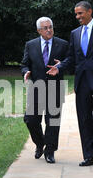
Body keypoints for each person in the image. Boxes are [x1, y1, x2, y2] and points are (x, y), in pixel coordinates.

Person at [47, 1, 93, 167]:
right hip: (82, 81)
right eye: (76, 14)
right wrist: (60, 67)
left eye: (80, 13)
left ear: (89, 12)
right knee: (84, 119)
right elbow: (72, 57)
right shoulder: (75, 33)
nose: (77, 17)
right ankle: (89, 157)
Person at [21, 17, 69, 163]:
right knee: (30, 119)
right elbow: (24, 64)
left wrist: (61, 65)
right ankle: (40, 143)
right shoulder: (31, 45)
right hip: (36, 87)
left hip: (55, 87)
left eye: (50, 27)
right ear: (39, 30)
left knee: (52, 121)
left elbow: (71, 61)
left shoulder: (63, 44)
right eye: (45, 28)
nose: (49, 30)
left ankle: (50, 151)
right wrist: (26, 72)